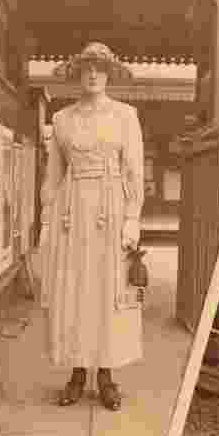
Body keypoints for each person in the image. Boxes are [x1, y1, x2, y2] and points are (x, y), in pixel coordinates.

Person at [39, 42, 145, 411]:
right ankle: (77, 373)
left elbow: (134, 171)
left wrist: (132, 219)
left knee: (109, 289)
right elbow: (53, 175)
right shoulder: (62, 119)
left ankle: (106, 377)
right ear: (77, 74)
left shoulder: (125, 116)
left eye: (100, 68)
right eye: (86, 68)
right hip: (72, 212)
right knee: (75, 289)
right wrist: (46, 221)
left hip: (111, 208)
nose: (93, 74)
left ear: (109, 74)